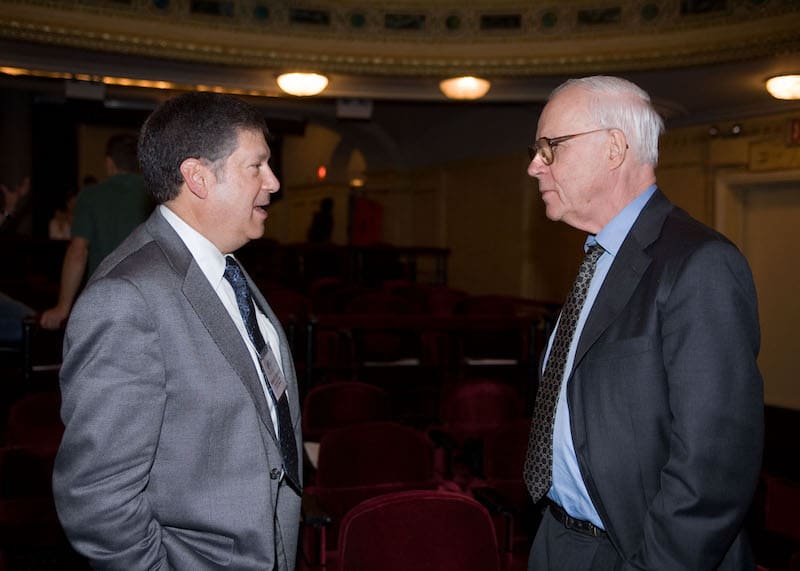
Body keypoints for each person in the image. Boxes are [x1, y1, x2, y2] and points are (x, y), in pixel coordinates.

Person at [52, 92, 303, 570]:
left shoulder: (224, 265)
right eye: (257, 166)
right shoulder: (126, 298)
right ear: (198, 177)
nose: (273, 182)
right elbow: (96, 496)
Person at [523, 76, 763, 569]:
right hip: (559, 539)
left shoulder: (701, 264)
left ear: (613, 148)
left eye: (550, 148)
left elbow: (712, 471)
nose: (534, 166)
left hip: (643, 553)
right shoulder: (599, 257)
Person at [40, 134, 150, 329]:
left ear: (109, 162)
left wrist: (63, 306)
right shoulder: (155, 194)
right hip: (149, 297)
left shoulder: (91, 196)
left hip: (103, 299)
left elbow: (78, 252)